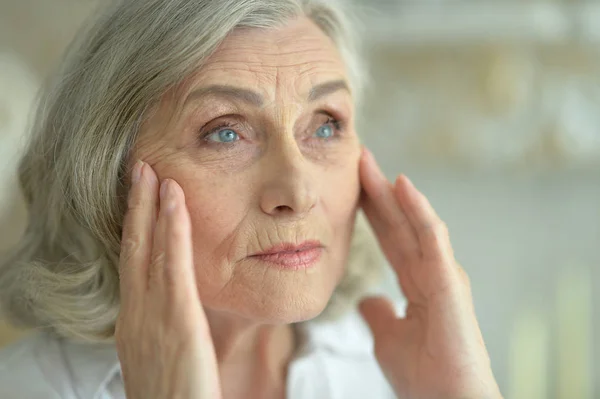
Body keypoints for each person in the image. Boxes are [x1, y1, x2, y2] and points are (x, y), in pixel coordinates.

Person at [0, 0, 502, 398]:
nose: (298, 193)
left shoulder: (396, 363)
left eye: (325, 125)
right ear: (107, 175)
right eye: (225, 134)